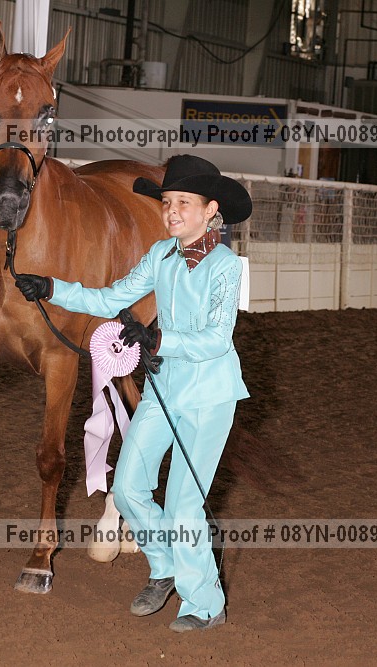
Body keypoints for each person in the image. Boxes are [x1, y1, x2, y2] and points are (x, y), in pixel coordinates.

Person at [15, 154, 251, 633]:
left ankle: (205, 603)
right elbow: (109, 298)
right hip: (165, 388)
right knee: (126, 488)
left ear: (210, 210)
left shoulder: (226, 267)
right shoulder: (161, 256)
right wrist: (51, 288)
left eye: (183, 203)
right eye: (167, 202)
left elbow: (216, 338)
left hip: (209, 396)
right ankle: (165, 566)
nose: (171, 211)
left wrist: (158, 340)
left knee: (183, 505)